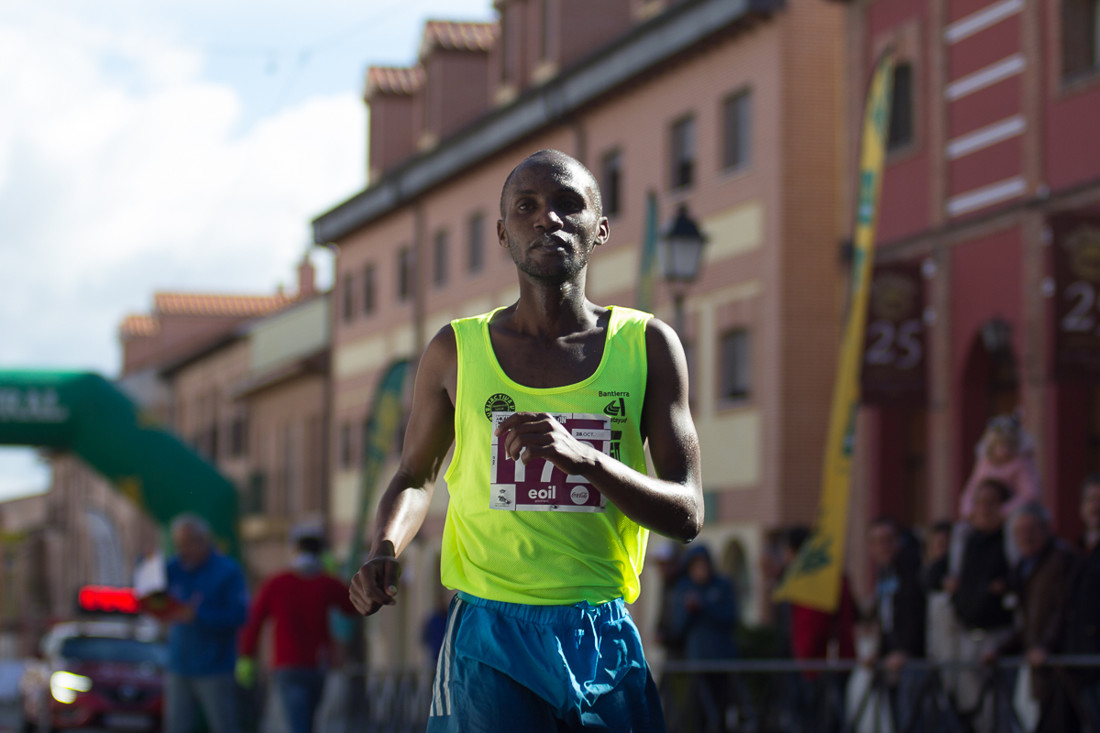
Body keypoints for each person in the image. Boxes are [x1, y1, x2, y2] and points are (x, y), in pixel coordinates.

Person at [348, 149, 703, 732]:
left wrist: (587, 459)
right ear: (502, 232)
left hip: (600, 631)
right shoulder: (455, 351)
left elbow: (687, 512)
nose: (547, 220)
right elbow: (415, 477)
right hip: (489, 634)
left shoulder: (649, 346)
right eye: (527, 207)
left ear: (601, 228)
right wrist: (384, 546)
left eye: (568, 205)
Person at [237, 528, 357, 733]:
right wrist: (333, 572)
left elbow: (254, 620)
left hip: (287, 664)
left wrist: (247, 655)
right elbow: (352, 605)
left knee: (298, 722)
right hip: (317, 664)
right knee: (307, 721)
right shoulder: (326, 583)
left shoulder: (277, 583)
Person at [982, 501, 1075, 733]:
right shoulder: (1024, 567)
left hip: (1060, 666)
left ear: (1046, 529)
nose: (1026, 537)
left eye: (1031, 530)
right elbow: (1025, 621)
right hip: (1039, 668)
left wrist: (1046, 646)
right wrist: (1001, 649)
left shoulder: (1060, 561)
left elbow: (1061, 610)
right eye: (1019, 532)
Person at [162, 513, 249, 733]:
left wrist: (199, 616)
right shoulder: (173, 568)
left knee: (223, 725)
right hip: (179, 666)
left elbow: (239, 616)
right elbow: (151, 595)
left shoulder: (227, 571)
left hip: (215, 668)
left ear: (203, 541)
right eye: (178, 545)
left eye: (187, 544)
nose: (183, 551)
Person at [947, 479, 1014, 733]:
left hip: (1000, 637)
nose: (984, 509)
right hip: (966, 633)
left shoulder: (1009, 539)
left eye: (991, 503)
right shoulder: (966, 539)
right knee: (970, 708)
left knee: (999, 710)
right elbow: (938, 574)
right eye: (979, 502)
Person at [668, 544, 743, 733]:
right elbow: (678, 628)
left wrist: (704, 605)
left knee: (722, 713)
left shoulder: (722, 585)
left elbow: (731, 617)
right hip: (698, 663)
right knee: (699, 714)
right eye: (696, 566)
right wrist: (690, 610)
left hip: (722, 661)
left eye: (703, 565)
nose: (700, 570)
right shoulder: (684, 589)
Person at [865, 516, 926, 731]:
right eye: (877, 542)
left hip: (912, 662)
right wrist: (879, 653)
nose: (883, 547)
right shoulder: (885, 574)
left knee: (912, 722)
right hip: (890, 662)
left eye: (888, 540)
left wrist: (906, 651)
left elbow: (915, 614)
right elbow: (885, 620)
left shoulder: (911, 569)